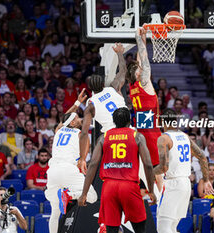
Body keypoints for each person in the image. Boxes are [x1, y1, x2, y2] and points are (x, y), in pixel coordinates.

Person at [78, 107, 156, 233]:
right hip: (129, 186)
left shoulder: (104, 137)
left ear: (114, 121)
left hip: (109, 187)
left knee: (111, 230)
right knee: (140, 229)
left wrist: (84, 193)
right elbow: (147, 164)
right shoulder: (137, 136)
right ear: (129, 121)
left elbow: (92, 165)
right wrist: (151, 190)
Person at [153, 108, 214, 233]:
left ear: (162, 121)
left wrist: (148, 171)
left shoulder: (164, 138)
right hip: (185, 184)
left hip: (172, 184)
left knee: (163, 227)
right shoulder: (184, 136)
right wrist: (206, 179)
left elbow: (163, 168)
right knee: (171, 227)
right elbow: (202, 157)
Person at [46, 89, 98, 233]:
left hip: (53, 171)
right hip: (68, 169)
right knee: (92, 197)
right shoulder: (81, 134)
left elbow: (65, 118)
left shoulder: (58, 130)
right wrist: (82, 160)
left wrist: (76, 103)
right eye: (77, 118)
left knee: (54, 213)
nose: (79, 119)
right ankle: (70, 195)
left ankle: (66, 195)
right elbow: (85, 151)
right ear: (74, 123)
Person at [79, 43, 127, 174]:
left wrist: (82, 158)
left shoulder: (91, 105)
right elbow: (123, 71)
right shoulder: (114, 87)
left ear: (90, 89)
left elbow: (84, 133)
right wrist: (119, 53)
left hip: (111, 137)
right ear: (102, 83)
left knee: (111, 172)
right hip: (128, 132)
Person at [128, 27, 162, 187]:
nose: (142, 69)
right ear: (138, 73)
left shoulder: (132, 87)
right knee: (160, 176)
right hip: (152, 135)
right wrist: (140, 37)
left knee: (143, 176)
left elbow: (140, 60)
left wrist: (142, 39)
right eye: (140, 69)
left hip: (140, 135)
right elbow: (144, 59)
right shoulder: (145, 84)